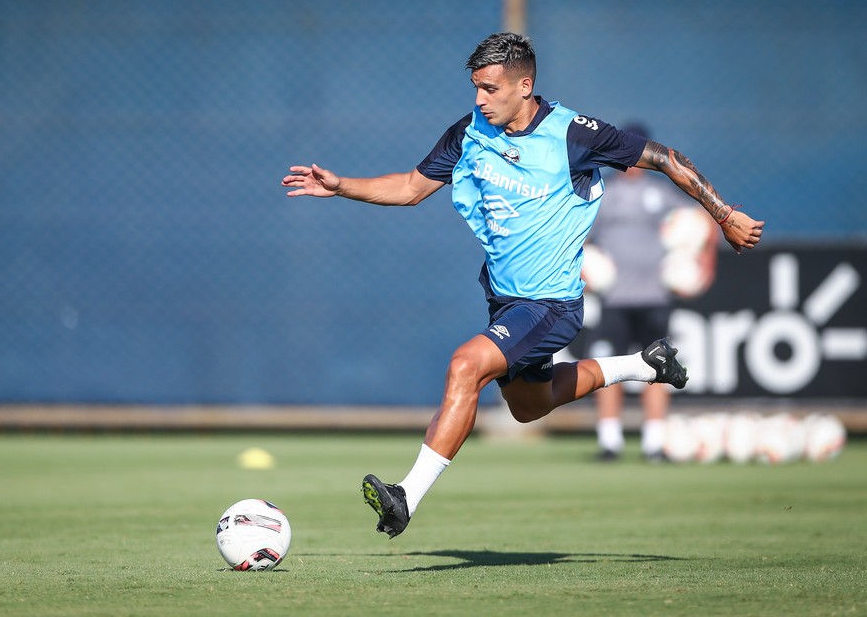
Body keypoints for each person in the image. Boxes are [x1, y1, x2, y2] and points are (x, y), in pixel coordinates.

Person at [281, 32, 763, 538]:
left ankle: (405, 497)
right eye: (475, 87)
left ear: (524, 84)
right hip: (505, 302)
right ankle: (642, 365)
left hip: (550, 303)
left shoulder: (575, 134)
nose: (479, 99)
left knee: (466, 365)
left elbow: (664, 158)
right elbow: (409, 188)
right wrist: (341, 187)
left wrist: (724, 214)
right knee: (529, 406)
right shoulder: (468, 133)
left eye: (489, 88)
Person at [582, 123, 719, 462]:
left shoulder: (663, 195)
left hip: (655, 296)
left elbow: (702, 225)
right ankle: (609, 441)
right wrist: (584, 269)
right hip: (614, 299)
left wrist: (703, 263)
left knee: (659, 368)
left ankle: (654, 443)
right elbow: (579, 240)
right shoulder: (602, 195)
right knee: (608, 369)